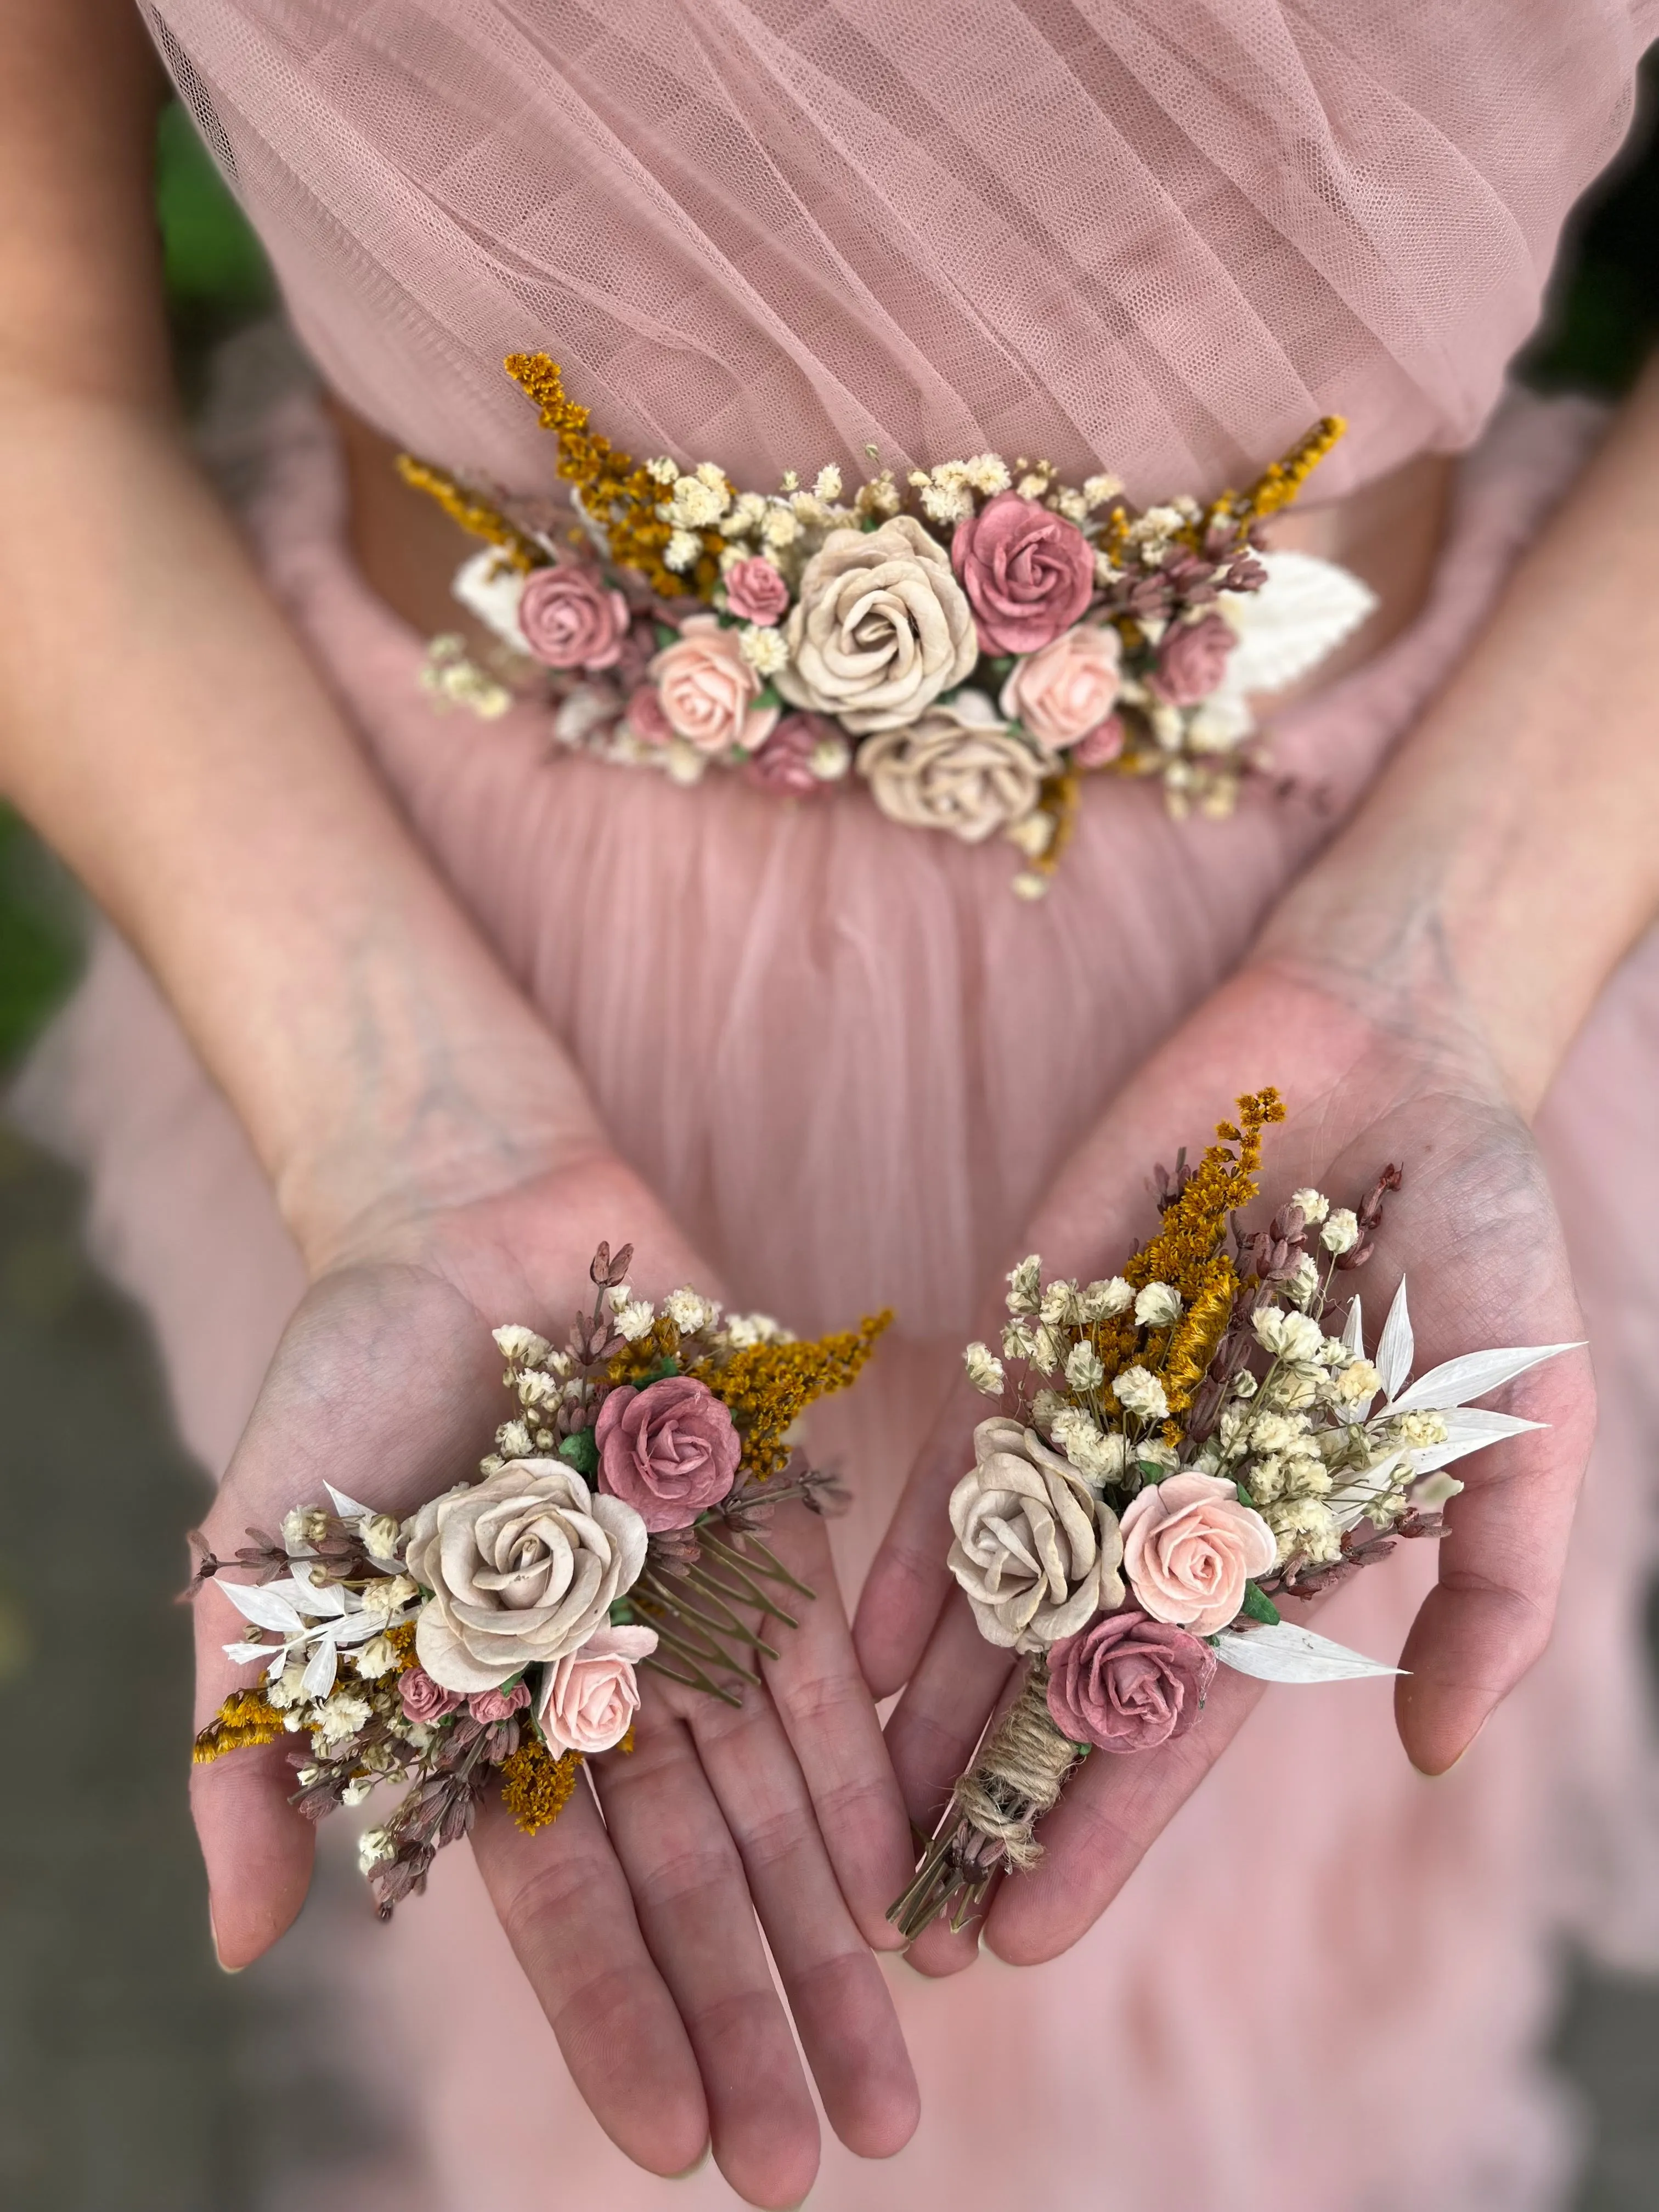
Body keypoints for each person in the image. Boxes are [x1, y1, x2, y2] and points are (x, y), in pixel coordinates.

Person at [4, 4, 1659, 2206]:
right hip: (427, 949)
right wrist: (390, 1111)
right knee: (623, 1876)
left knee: (1269, 1890)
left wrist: (1456, 957)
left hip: (1426, 888)